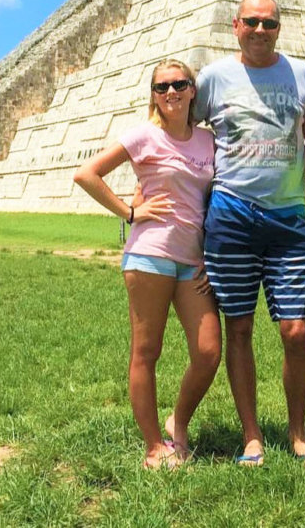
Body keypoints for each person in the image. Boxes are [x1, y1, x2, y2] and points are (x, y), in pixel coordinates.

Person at [193, 0, 305, 466]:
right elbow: (179, 128)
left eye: (269, 23)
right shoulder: (213, 77)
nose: (260, 30)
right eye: (251, 22)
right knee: (239, 330)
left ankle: (297, 432)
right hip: (231, 216)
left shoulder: (299, 73)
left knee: (296, 331)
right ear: (234, 25)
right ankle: (252, 434)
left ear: (280, 27)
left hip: (289, 218)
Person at [73, 59, 220, 469]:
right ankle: (154, 445)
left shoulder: (208, 141)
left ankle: (179, 424)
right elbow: (87, 174)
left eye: (179, 84)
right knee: (146, 351)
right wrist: (130, 212)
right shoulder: (144, 135)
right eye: (161, 87)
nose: (171, 92)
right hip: (149, 255)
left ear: (193, 90)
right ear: (153, 95)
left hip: (193, 260)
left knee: (208, 351)